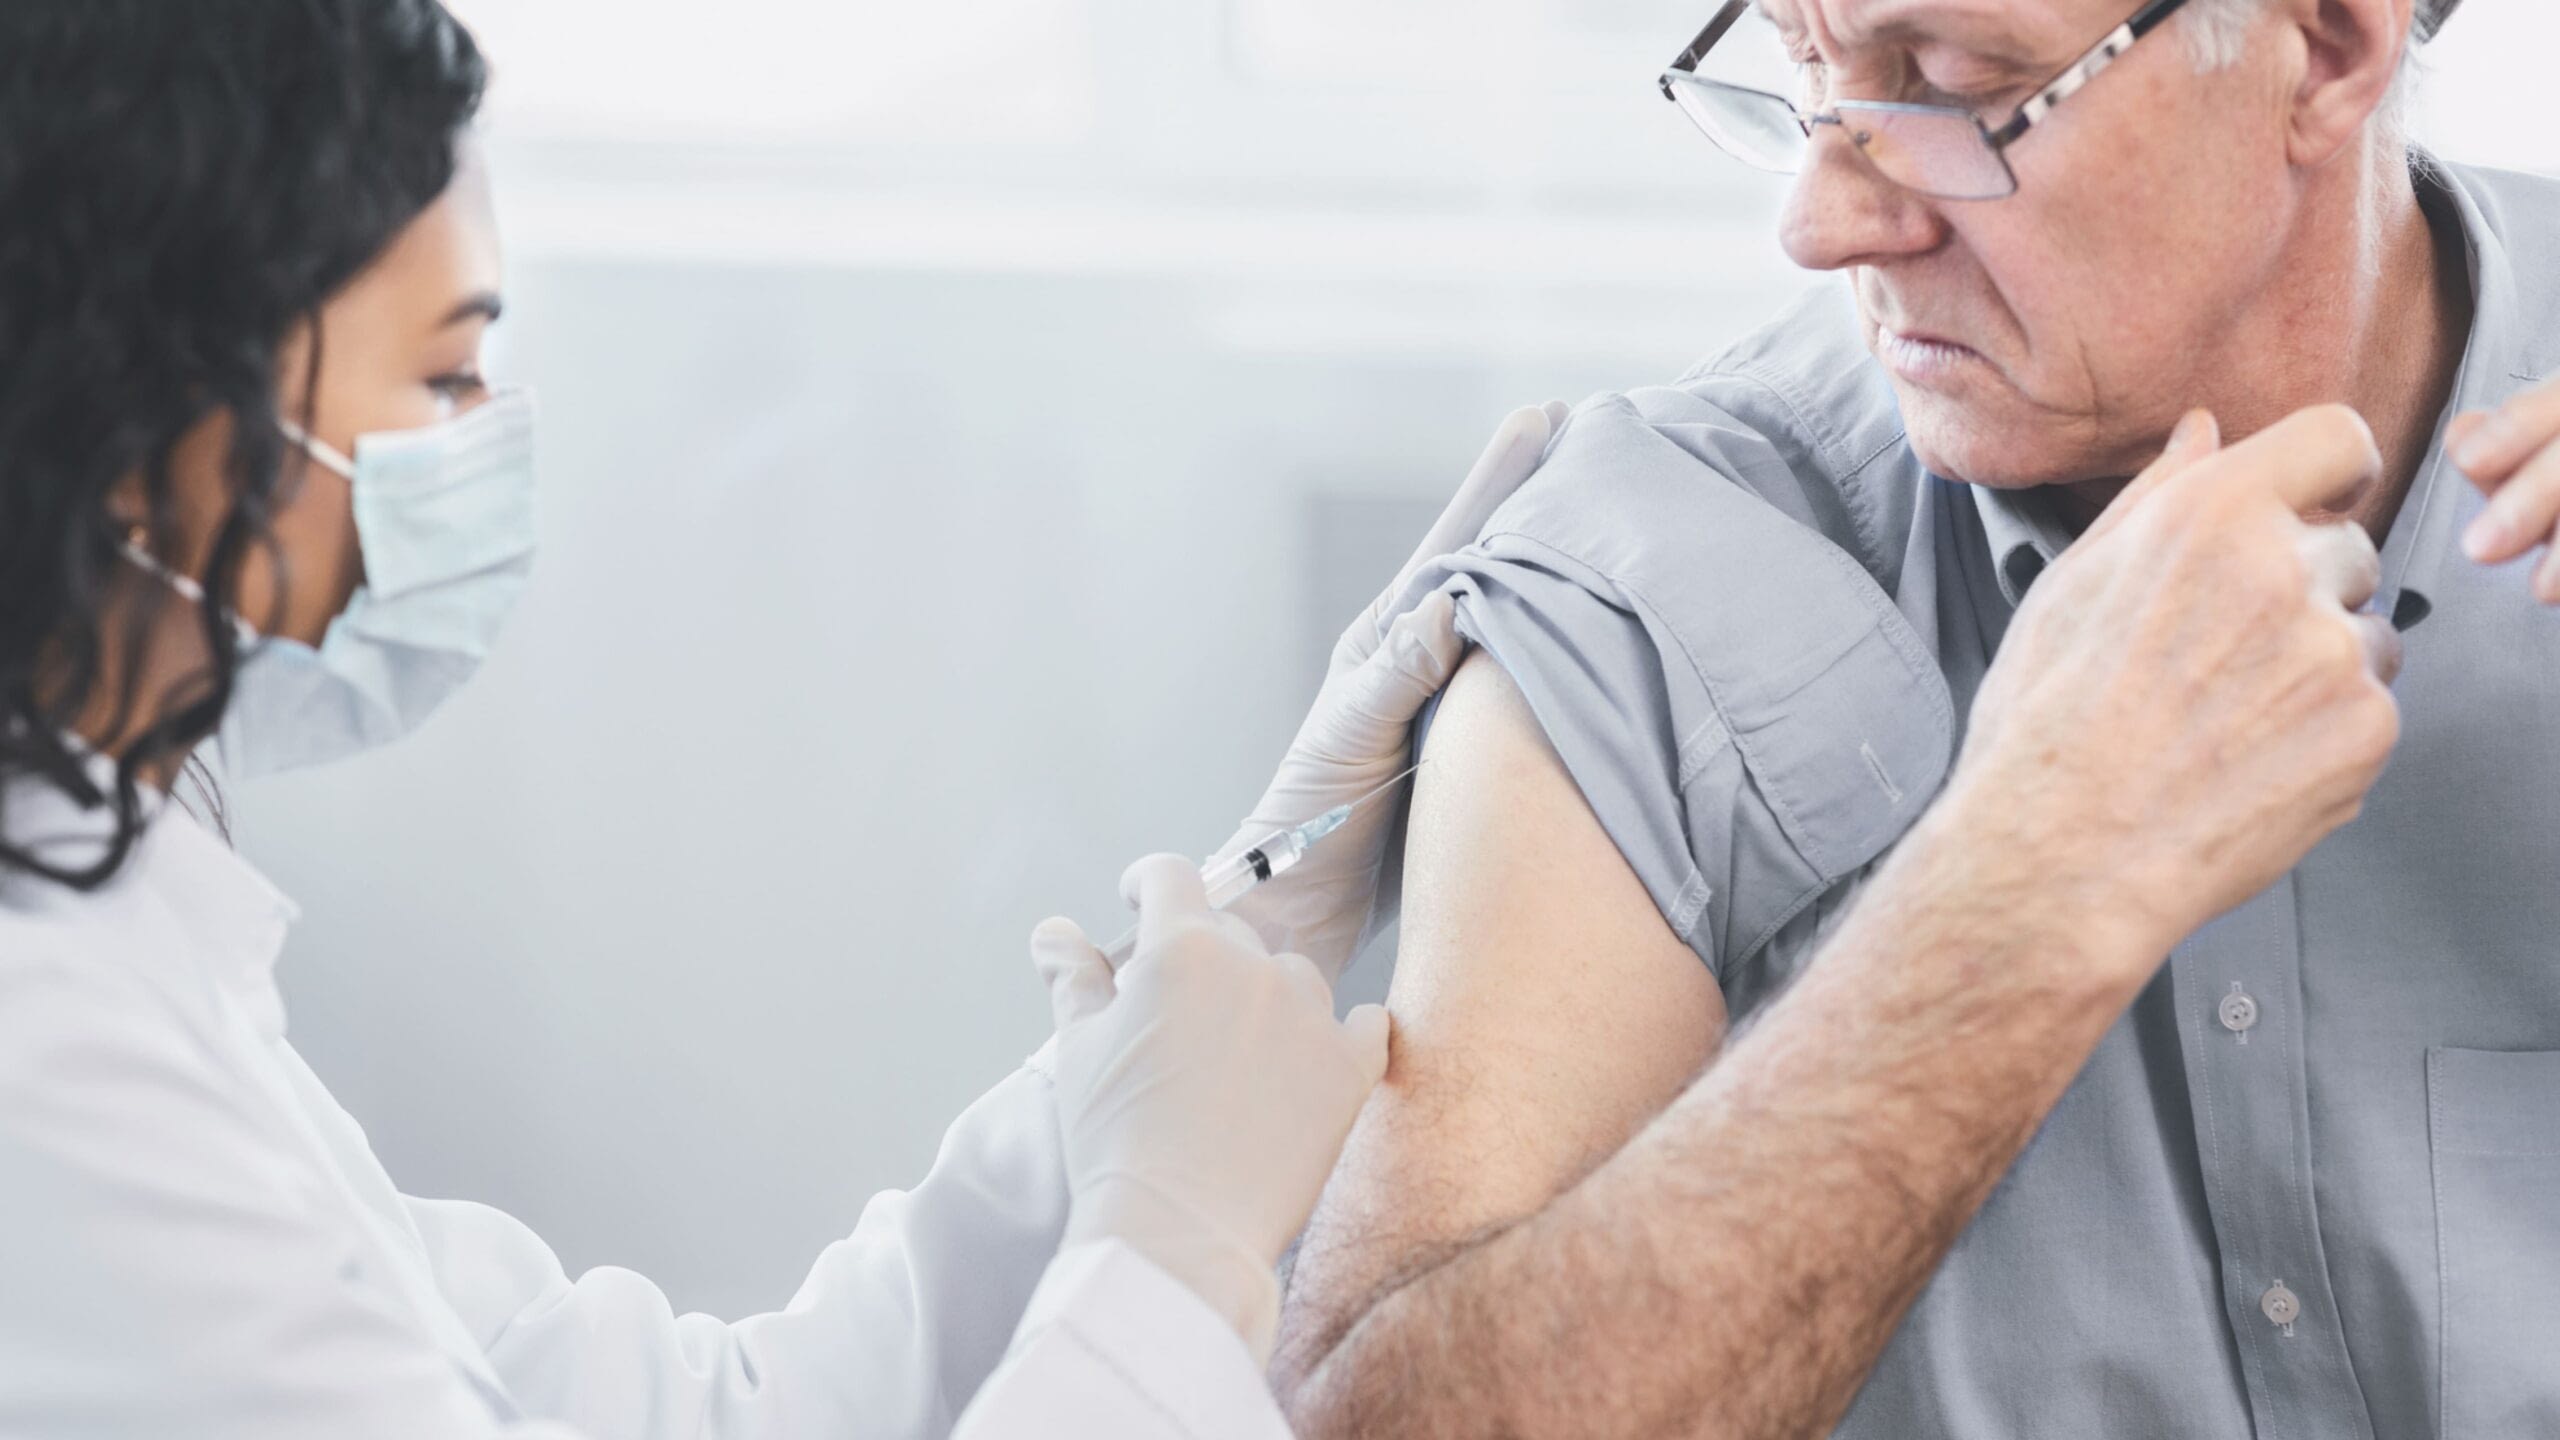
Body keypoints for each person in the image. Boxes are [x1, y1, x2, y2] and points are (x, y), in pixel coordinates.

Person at [0, 4, 1566, 1436]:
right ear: (147, 428)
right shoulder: (54, 1060)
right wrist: (1172, 1244)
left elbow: (701, 1416)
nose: (485, 448)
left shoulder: (125, 933)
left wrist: (1250, 926)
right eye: (447, 375)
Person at [1276, 0, 2560, 1436]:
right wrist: (2021, 887)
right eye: (1800, 68)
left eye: (1951, 89)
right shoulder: (1654, 589)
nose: (1820, 229)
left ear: (2321, 50)